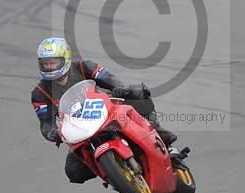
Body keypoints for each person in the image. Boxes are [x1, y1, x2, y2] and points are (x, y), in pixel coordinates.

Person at [30, 37, 183, 184]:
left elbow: (109, 78)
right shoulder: (39, 93)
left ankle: (163, 139)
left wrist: (120, 88)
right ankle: (113, 174)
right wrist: (52, 133)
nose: (49, 67)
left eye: (53, 63)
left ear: (66, 59)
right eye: (45, 64)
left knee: (137, 94)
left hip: (106, 111)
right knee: (73, 171)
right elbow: (45, 122)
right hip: (80, 130)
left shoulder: (84, 67)